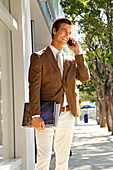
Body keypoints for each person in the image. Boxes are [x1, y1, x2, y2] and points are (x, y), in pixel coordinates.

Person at [28, 18, 90, 170]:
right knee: (43, 158)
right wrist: (35, 115)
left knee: (63, 160)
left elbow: (84, 77)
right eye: (64, 31)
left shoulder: (70, 60)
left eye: (69, 33)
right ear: (54, 31)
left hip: (67, 114)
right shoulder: (39, 57)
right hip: (46, 113)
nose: (67, 35)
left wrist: (77, 53)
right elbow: (34, 88)